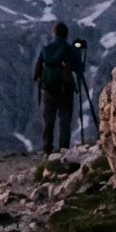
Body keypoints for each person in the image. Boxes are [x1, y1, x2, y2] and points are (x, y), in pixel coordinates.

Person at [33, 22, 83, 154]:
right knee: (64, 120)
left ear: (54, 33)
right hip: (65, 90)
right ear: (66, 35)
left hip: (48, 89)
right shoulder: (69, 49)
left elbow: (37, 71)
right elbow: (79, 69)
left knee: (49, 120)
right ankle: (63, 150)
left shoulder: (46, 48)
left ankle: (47, 149)